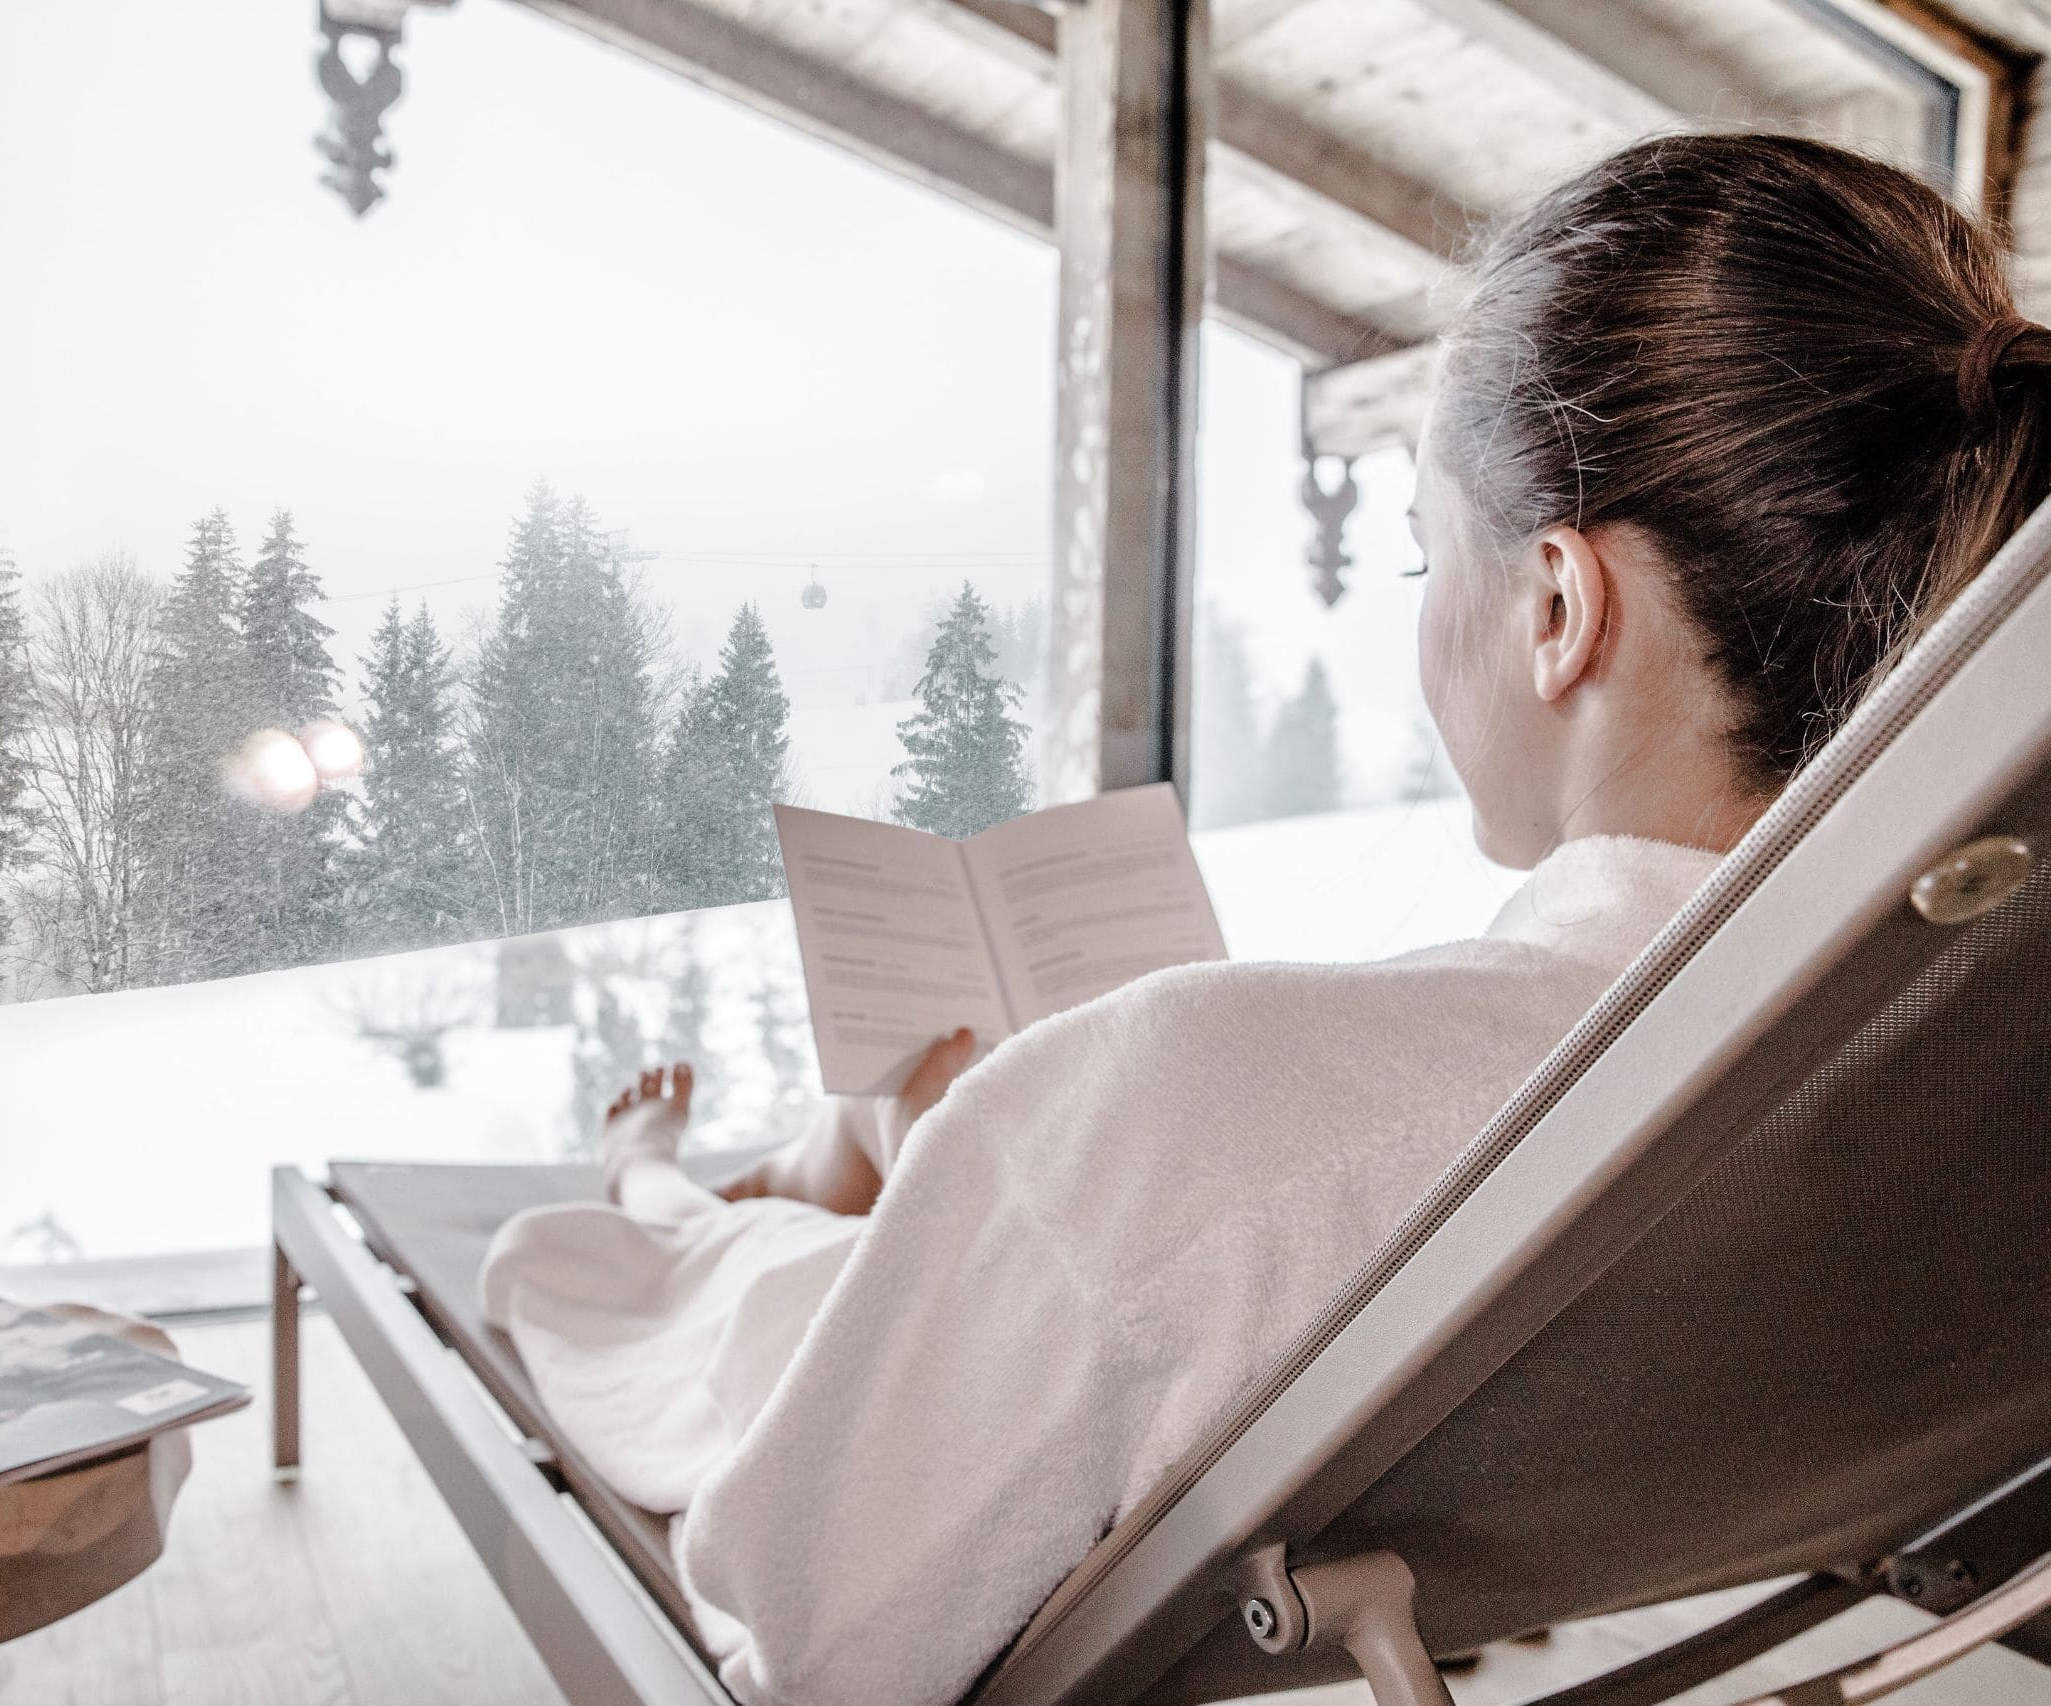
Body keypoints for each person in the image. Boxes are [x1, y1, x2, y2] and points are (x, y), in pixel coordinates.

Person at [480, 133, 2051, 1706]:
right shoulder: (1980, 1062)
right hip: (1619, 1462)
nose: (1423, 621)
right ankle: (876, 1164)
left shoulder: (1182, 1108)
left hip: (1056, 1303)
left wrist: (996, 1150)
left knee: (707, 1272)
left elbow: (816, 1629)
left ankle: (703, 1177)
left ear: (1561, 611)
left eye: (1430, 557)